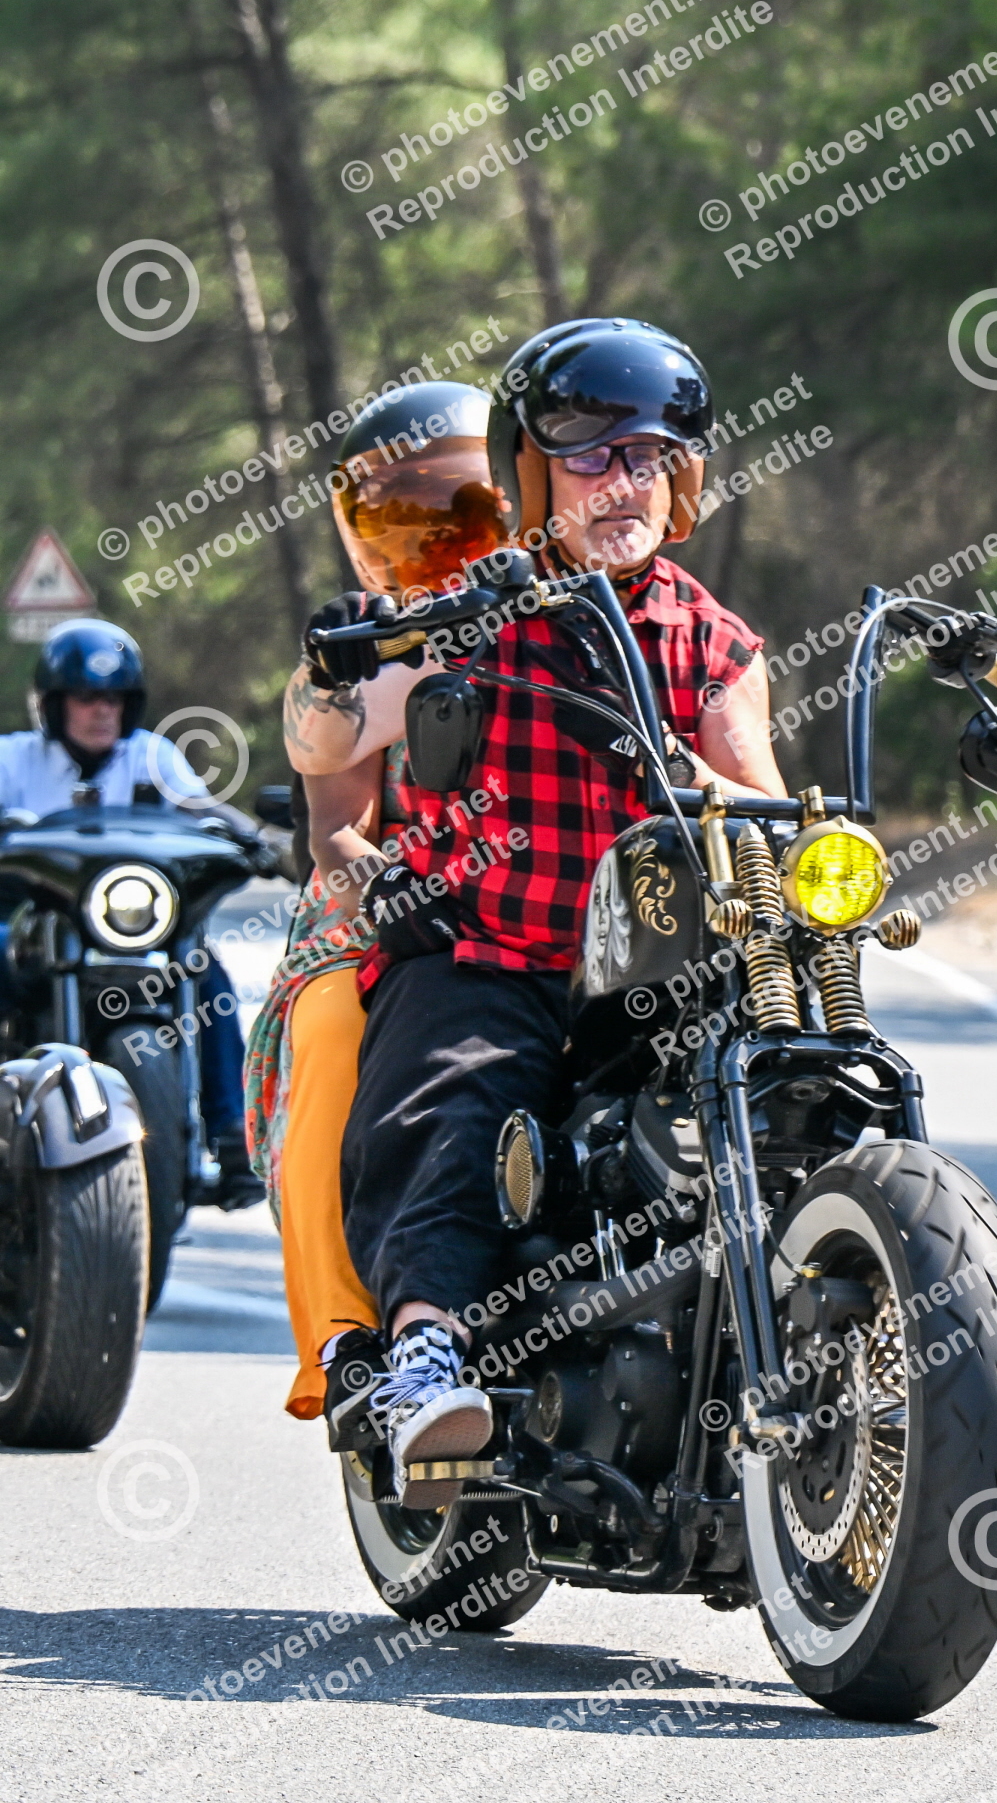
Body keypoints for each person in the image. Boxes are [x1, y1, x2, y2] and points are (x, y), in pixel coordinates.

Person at [291, 317, 789, 1504]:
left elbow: (762, 801)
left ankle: (924, 1332)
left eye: (651, 455)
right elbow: (326, 760)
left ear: (684, 478)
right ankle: (423, 1362)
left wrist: (691, 773)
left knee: (803, 1071)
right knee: (452, 1098)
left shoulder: (712, 639)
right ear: (526, 474)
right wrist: (342, 688)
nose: (625, 480)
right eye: (592, 455)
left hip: (662, 968)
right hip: (491, 948)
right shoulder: (454, 613)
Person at [246, 380, 509, 1421]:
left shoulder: (565, 614)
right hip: (388, 902)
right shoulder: (352, 643)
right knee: (332, 1031)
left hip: (547, 896)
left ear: (509, 497)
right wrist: (390, 885)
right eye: (396, 508)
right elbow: (334, 829)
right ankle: (351, 1342)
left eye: (455, 501)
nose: (430, 531)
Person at [0, 617, 258, 1209]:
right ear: (53, 704)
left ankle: (233, 1134)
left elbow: (204, 812)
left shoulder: (153, 756)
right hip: (36, 930)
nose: (102, 711)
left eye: (114, 698)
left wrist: (258, 840)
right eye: (86, 697)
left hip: (132, 934)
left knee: (206, 973)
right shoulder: (12, 760)